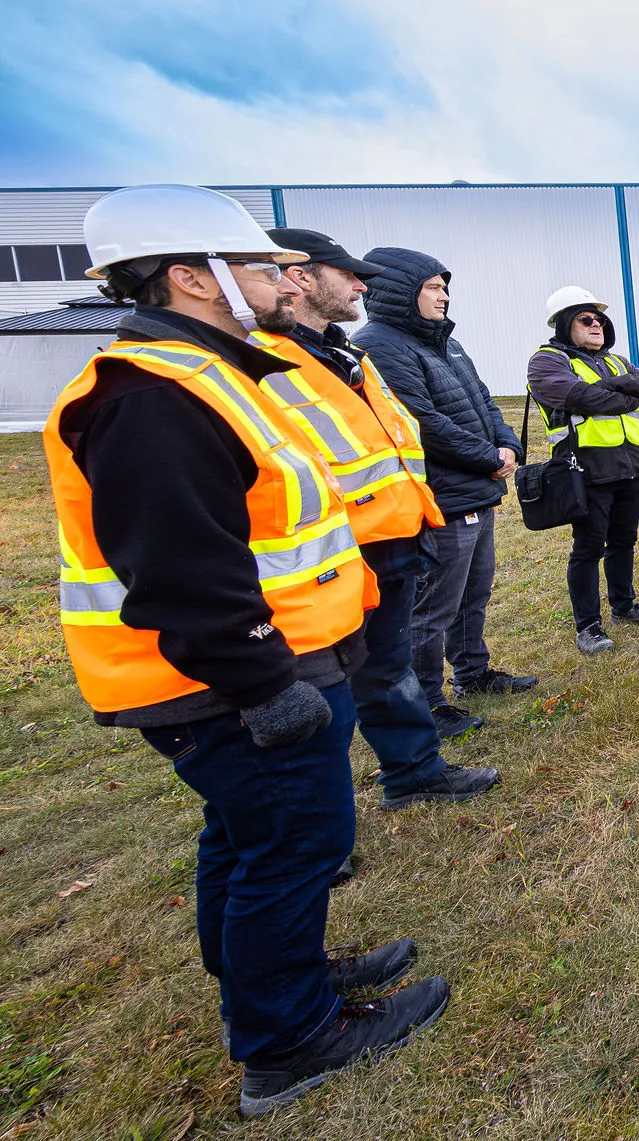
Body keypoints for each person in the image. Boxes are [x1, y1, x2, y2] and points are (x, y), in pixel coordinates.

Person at [45, 185, 447, 1117]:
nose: (285, 279)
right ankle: (287, 1040)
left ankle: (278, 982)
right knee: (297, 842)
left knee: (247, 836)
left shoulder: (212, 371)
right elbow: (182, 567)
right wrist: (264, 680)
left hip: (262, 663)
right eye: (265, 266)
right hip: (232, 680)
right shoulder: (151, 396)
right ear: (192, 276)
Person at [255, 228, 501, 810]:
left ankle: (414, 771)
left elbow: (406, 432)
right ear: (301, 276)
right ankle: (307, 822)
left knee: (386, 667)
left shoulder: (344, 354)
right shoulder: (265, 362)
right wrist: (486, 456)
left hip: (393, 533)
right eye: (348, 274)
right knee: (324, 686)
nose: (362, 285)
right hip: (323, 553)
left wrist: (499, 445)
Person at [354, 248, 538, 739]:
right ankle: (429, 703)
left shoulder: (446, 344)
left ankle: (473, 673)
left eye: (444, 286)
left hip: (475, 491)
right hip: (441, 499)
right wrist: (487, 457)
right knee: (433, 608)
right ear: (398, 293)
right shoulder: (380, 345)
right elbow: (421, 422)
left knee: (472, 594)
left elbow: (483, 398)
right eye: (433, 287)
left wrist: (507, 443)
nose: (444, 296)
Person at [527, 287, 639, 655]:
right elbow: (581, 398)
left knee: (624, 542)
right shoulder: (546, 362)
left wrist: (611, 386)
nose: (596, 325)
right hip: (584, 470)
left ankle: (624, 605)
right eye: (585, 320)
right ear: (563, 325)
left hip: (630, 466)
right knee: (588, 548)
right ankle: (588, 626)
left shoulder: (616, 361)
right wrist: (624, 394)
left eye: (600, 320)